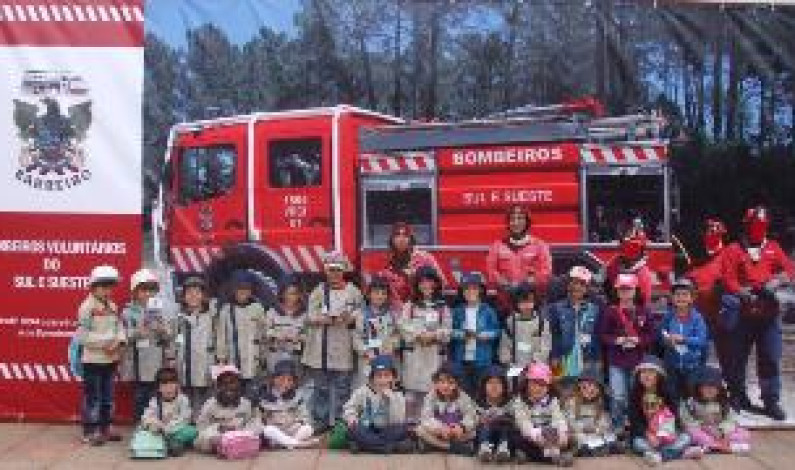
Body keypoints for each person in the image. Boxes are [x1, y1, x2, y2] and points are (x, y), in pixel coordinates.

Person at [720, 206, 794, 420]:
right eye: (754, 225)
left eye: (762, 226)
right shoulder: (734, 249)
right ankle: (737, 396)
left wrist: (777, 281)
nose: (758, 229)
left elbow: (789, 269)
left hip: (768, 316)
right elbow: (728, 278)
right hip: (742, 314)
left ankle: (770, 400)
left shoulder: (773, 247)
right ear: (746, 226)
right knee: (737, 358)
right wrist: (743, 292)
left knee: (770, 357)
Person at [302, 251, 362, 432]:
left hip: (343, 347)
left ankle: (339, 423)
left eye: (337, 270)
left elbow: (360, 313)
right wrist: (324, 319)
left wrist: (350, 318)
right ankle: (320, 422)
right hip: (320, 347)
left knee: (343, 388)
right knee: (321, 388)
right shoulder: (319, 291)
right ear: (325, 271)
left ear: (343, 271)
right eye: (331, 270)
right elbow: (309, 316)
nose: (334, 274)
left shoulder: (353, 292)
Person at [599, 273, 656, 431]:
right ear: (617, 292)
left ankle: (636, 426)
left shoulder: (644, 311)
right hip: (616, 360)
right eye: (622, 289)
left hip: (638, 361)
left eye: (628, 289)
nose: (625, 293)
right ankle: (617, 428)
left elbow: (652, 335)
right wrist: (617, 340)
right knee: (618, 395)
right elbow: (603, 335)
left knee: (636, 394)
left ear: (635, 290)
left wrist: (638, 340)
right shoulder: (610, 311)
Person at [77, 265, 126, 445]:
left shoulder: (113, 306)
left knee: (108, 397)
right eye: (103, 287)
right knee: (93, 398)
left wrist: (120, 341)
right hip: (92, 361)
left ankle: (106, 428)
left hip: (110, 360)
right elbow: (82, 337)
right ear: (93, 287)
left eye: (110, 287)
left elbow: (119, 327)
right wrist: (107, 342)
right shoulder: (86, 307)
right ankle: (90, 431)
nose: (108, 291)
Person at [399, 265, 451, 421]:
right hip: (415, 354)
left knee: (432, 391)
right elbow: (402, 325)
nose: (426, 285)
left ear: (436, 284)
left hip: (434, 355)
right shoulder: (410, 306)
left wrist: (434, 335)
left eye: (430, 281)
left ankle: (428, 423)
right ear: (417, 285)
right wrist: (419, 335)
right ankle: (410, 424)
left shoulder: (443, 307)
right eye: (422, 282)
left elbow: (448, 330)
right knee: (411, 392)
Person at [121, 268, 174, 422]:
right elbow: (122, 336)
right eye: (143, 290)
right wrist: (138, 332)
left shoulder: (159, 311)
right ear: (135, 292)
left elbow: (170, 335)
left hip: (157, 363)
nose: (148, 294)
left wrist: (163, 329)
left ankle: (156, 425)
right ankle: (140, 425)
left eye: (151, 290)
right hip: (138, 365)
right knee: (140, 397)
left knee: (156, 398)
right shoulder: (128, 313)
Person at [486, 205, 552, 313]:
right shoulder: (497, 246)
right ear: (508, 222)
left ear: (527, 221)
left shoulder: (539, 245)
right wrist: (503, 283)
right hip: (506, 304)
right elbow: (491, 271)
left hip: (532, 304)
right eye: (512, 219)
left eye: (520, 218)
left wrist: (528, 284)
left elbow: (546, 272)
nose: (516, 223)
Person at [343, 355, 414, 454]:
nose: (383, 380)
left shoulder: (397, 394)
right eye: (379, 376)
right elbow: (349, 407)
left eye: (386, 375)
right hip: (367, 428)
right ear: (372, 377)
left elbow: (398, 420)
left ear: (393, 377)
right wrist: (352, 418)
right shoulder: (363, 391)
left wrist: (391, 400)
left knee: (403, 429)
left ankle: (365, 446)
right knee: (353, 430)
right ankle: (390, 447)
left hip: (388, 429)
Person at [214, 270, 268, 398]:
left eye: (246, 289)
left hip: (252, 361)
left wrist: (263, 357)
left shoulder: (257, 308)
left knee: (252, 395)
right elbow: (221, 337)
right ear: (233, 290)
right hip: (233, 361)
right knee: (233, 395)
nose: (243, 292)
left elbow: (263, 334)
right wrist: (221, 359)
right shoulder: (226, 310)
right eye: (239, 289)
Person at [687, 218, 730, 374]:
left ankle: (730, 389)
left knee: (727, 358)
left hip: (721, 318)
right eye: (708, 231)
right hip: (699, 317)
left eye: (715, 232)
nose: (711, 235)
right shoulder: (697, 255)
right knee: (698, 356)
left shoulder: (728, 257)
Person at [511, 362, 573, 466]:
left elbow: (558, 418)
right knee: (515, 438)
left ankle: (531, 456)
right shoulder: (520, 401)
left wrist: (562, 433)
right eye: (534, 384)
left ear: (548, 387)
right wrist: (536, 436)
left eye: (542, 385)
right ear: (527, 384)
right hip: (531, 436)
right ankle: (552, 458)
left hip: (551, 436)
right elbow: (523, 422)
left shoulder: (552, 400)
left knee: (570, 439)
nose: (538, 388)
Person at [449, 272, 502, 396]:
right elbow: (450, 331)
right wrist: (462, 335)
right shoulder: (457, 311)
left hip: (482, 361)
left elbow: (496, 332)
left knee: (481, 393)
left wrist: (482, 335)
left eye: (474, 288)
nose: (470, 291)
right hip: (461, 360)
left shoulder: (488, 311)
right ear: (462, 292)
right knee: (462, 394)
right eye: (466, 288)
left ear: (480, 290)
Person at [680, 366, 751, 455]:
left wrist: (722, 431)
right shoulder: (691, 403)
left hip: (720, 431)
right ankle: (723, 447)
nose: (710, 390)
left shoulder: (724, 403)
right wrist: (705, 428)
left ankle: (715, 446)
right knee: (693, 433)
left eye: (714, 387)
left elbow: (731, 419)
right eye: (706, 387)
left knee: (744, 434)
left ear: (719, 389)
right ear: (699, 387)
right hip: (702, 430)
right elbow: (686, 420)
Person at [659, 278, 708, 403]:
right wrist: (667, 340)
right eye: (677, 295)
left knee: (691, 395)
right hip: (671, 365)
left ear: (692, 298)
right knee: (672, 395)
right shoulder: (668, 316)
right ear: (672, 298)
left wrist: (684, 339)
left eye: (685, 295)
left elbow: (701, 340)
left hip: (692, 365)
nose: (681, 298)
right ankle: (675, 419)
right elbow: (661, 334)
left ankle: (691, 419)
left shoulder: (697, 318)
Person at [548, 266, 601, 380]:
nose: (577, 287)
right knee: (563, 392)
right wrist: (554, 356)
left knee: (585, 391)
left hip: (588, 360)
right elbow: (554, 335)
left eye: (582, 284)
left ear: (587, 288)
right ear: (568, 284)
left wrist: (597, 360)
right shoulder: (555, 308)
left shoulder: (595, 309)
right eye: (574, 282)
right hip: (562, 359)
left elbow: (596, 337)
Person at [195, 365, 261, 454]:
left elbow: (255, 422)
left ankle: (236, 446)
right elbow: (201, 427)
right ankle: (223, 447)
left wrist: (241, 433)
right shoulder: (210, 404)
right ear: (218, 387)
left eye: (232, 382)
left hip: (240, 436)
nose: (229, 386)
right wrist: (218, 429)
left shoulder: (246, 404)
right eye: (224, 383)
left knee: (258, 428)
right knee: (201, 439)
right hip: (218, 437)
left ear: (239, 385)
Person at [172, 276, 215, 413]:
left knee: (203, 398)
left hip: (204, 363)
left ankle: (201, 425)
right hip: (184, 364)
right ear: (183, 296)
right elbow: (176, 339)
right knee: (185, 398)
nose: (193, 296)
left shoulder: (211, 315)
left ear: (203, 295)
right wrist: (173, 357)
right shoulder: (178, 317)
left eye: (197, 292)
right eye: (189, 292)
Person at [415, 362, 478, 455]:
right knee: (420, 430)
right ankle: (451, 447)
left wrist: (462, 427)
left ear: (457, 384)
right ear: (436, 382)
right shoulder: (431, 396)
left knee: (473, 432)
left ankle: (435, 446)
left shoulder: (463, 397)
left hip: (456, 432)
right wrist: (440, 428)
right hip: (439, 432)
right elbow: (426, 417)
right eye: (441, 382)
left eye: (450, 382)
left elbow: (471, 416)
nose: (445, 386)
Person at [382, 222, 446, 305]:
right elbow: (388, 294)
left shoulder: (425, 257)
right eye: (397, 235)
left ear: (411, 239)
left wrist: (416, 277)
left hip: (424, 308)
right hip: (398, 312)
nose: (401, 239)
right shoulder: (387, 264)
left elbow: (442, 282)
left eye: (405, 235)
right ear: (392, 240)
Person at [259, 359, 317, 449]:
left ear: (294, 383)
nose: (285, 383)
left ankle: (289, 444)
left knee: (308, 428)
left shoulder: (297, 397)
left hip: (292, 430)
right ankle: (296, 444)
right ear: (273, 379)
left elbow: (305, 416)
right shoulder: (265, 397)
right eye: (281, 379)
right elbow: (261, 420)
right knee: (268, 430)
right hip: (276, 433)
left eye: (289, 380)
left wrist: (300, 422)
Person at [353, 275, 399, 387]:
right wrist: (365, 351)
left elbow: (396, 334)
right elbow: (356, 338)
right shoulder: (361, 315)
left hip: (387, 359)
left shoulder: (392, 314)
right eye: (376, 293)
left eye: (383, 293)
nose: (380, 296)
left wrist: (393, 344)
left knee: (387, 390)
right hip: (368, 360)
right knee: (368, 390)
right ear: (369, 295)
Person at [138, 367, 196, 457]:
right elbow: (146, 416)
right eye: (164, 385)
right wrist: (155, 423)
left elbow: (185, 418)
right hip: (160, 431)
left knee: (192, 431)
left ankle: (175, 443)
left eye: (172, 384)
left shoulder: (182, 399)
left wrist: (170, 427)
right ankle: (168, 445)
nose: (169, 388)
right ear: (158, 388)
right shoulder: (155, 401)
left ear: (177, 385)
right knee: (142, 429)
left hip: (177, 429)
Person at [632, 393, 702, 466]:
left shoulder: (666, 414)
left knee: (686, 437)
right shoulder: (641, 416)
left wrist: (658, 439)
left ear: (659, 405)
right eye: (646, 406)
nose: (649, 410)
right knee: (637, 442)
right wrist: (649, 436)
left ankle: (660, 456)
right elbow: (641, 432)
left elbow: (669, 438)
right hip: (653, 444)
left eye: (653, 405)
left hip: (668, 442)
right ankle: (684, 453)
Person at [565, 367, 619, 457]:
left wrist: (597, 430)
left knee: (610, 436)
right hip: (579, 433)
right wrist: (585, 429)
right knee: (576, 438)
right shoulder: (571, 402)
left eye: (595, 387)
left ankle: (600, 448)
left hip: (595, 434)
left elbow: (604, 423)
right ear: (579, 386)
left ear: (599, 390)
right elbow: (570, 422)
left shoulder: (599, 404)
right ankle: (587, 450)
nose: (591, 390)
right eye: (587, 386)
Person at [498, 282, 550, 375]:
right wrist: (508, 363)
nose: (526, 305)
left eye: (530, 301)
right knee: (515, 388)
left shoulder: (542, 322)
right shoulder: (510, 322)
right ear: (516, 302)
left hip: (536, 368)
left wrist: (533, 363)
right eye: (522, 301)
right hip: (515, 367)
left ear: (535, 301)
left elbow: (546, 347)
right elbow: (504, 345)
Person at [603, 222, 654, 307]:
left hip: (635, 312)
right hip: (615, 309)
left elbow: (643, 303)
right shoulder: (613, 265)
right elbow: (607, 289)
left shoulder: (643, 274)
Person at [263, 276, 306, 375]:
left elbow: (309, 334)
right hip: (275, 354)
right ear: (282, 294)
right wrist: (278, 335)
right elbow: (265, 330)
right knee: (274, 383)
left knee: (293, 382)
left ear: (299, 295)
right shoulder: (272, 312)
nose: (290, 297)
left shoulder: (304, 314)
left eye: (293, 293)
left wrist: (299, 338)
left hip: (295, 355)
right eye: (287, 293)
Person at [474, 365, 513, 463]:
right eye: (490, 383)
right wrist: (481, 419)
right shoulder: (478, 402)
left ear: (504, 386)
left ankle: (503, 450)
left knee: (506, 427)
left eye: (498, 383)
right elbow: (473, 419)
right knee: (484, 426)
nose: (494, 386)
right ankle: (484, 449)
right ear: (484, 385)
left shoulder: (510, 402)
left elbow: (515, 420)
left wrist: (502, 418)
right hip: (484, 435)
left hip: (504, 434)